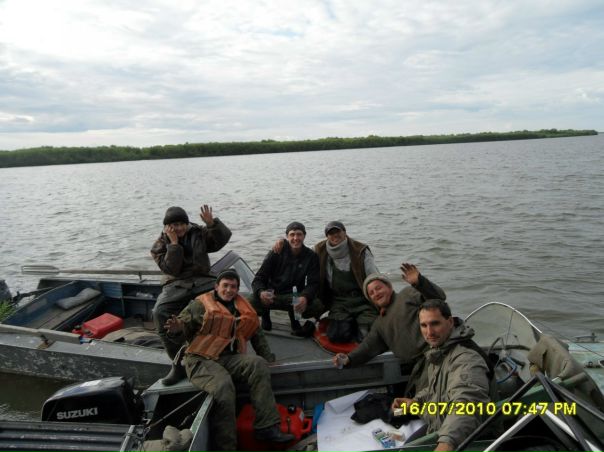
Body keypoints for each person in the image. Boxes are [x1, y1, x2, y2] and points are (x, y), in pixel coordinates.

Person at [164, 269, 295, 452]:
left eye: (233, 287)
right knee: (224, 386)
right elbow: (181, 329)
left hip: (227, 358)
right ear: (216, 287)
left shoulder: (243, 307)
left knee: (258, 364)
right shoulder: (199, 305)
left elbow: (256, 334)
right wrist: (176, 329)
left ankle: (266, 427)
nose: (228, 290)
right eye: (225, 285)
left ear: (237, 289)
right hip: (200, 360)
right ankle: (226, 447)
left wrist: (268, 358)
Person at [391, 299, 494, 452]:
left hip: (470, 437)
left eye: (435, 323)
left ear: (450, 322)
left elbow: (466, 404)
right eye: (424, 325)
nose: (429, 332)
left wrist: (446, 443)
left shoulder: (466, 358)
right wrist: (415, 402)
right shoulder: (440, 350)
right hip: (440, 425)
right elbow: (436, 388)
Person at [150, 205, 232, 385]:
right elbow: (172, 269)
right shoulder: (159, 246)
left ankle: (225, 351)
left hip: (203, 279)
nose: (179, 228)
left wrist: (212, 224)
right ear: (167, 227)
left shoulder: (199, 233)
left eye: (182, 224)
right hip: (176, 283)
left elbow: (221, 240)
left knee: (226, 299)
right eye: (174, 225)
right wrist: (174, 245)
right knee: (159, 312)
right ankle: (179, 364)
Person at [332, 264, 445, 377]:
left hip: (437, 355)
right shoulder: (379, 324)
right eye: (371, 293)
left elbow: (439, 298)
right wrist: (348, 358)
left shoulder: (408, 294)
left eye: (378, 288)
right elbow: (368, 347)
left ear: (390, 287)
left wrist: (420, 282)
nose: (376, 294)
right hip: (416, 368)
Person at [251, 222, 320, 336]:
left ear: (304, 236)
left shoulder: (311, 256)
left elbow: (314, 283)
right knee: (249, 302)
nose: (295, 238)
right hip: (272, 294)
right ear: (287, 236)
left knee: (317, 305)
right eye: (292, 234)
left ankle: (295, 319)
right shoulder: (275, 252)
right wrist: (261, 292)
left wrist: (305, 297)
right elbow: (259, 278)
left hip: (294, 296)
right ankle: (265, 314)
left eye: (299, 234)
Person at [314, 221, 379, 342]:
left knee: (366, 336)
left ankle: (361, 323)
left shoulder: (361, 250)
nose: (335, 235)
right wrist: (282, 244)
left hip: (363, 300)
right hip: (339, 302)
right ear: (327, 236)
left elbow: (374, 278)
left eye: (338, 231)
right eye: (331, 233)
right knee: (337, 336)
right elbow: (302, 255)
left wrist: (382, 302)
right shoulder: (319, 249)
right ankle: (350, 322)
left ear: (345, 232)